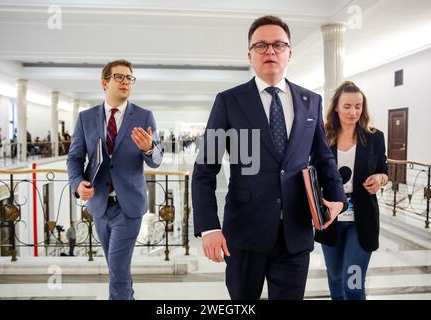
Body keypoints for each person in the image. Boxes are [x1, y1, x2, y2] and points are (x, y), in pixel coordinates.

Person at [192, 15, 347, 300]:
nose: (270, 51)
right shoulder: (229, 101)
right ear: (249, 54)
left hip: (295, 232)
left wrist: (338, 198)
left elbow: (324, 158)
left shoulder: (310, 101)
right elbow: (205, 168)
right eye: (261, 45)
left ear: (290, 52)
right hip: (244, 234)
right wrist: (209, 227)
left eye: (278, 44)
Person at [67, 59, 163, 300]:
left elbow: (157, 159)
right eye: (119, 77)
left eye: (129, 78)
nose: (125, 82)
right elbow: (74, 158)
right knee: (116, 267)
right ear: (104, 82)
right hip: (99, 204)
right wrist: (78, 184)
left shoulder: (144, 116)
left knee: (118, 268)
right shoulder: (86, 118)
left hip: (128, 205)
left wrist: (149, 148)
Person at [314, 81, 388, 300]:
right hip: (330, 218)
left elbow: (384, 170)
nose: (354, 112)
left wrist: (380, 178)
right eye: (347, 106)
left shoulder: (375, 137)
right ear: (336, 106)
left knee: (353, 284)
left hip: (361, 219)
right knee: (336, 277)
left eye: (358, 106)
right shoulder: (322, 137)